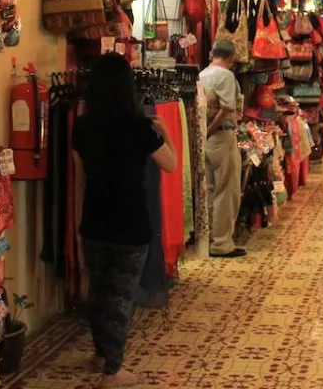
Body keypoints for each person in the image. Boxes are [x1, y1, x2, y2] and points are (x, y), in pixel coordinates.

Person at [73, 53, 178, 386]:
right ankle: (113, 371)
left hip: (94, 220)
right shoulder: (139, 127)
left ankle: (100, 354)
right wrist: (166, 133)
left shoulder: (83, 127)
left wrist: (78, 224)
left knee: (99, 292)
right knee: (121, 297)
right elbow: (171, 164)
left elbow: (79, 179)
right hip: (130, 223)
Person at [199, 39, 246, 259]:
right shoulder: (225, 76)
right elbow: (227, 107)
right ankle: (222, 243)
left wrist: (203, 133)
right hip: (221, 135)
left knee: (209, 189)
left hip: (206, 140)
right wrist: (210, 130)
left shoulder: (203, 74)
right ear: (231, 58)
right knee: (226, 191)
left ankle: (209, 239)